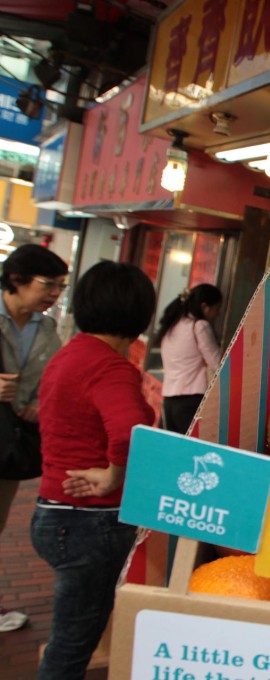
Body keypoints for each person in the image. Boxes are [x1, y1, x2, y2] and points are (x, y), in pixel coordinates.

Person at [31, 260, 156, 679]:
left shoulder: (72, 355)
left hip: (56, 511)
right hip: (88, 520)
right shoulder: (109, 367)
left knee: (74, 631)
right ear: (139, 312)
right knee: (74, 640)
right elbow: (126, 431)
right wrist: (113, 475)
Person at [0, 243, 68, 633]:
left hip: (10, 443)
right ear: (16, 280)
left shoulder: (46, 328)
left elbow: (53, 378)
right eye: (48, 284)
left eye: (60, 286)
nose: (55, 295)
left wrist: (42, 403)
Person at [153, 283, 223, 434]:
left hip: (169, 400)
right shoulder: (199, 326)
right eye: (217, 309)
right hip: (191, 400)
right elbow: (217, 364)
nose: (217, 315)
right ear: (205, 307)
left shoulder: (172, 325)